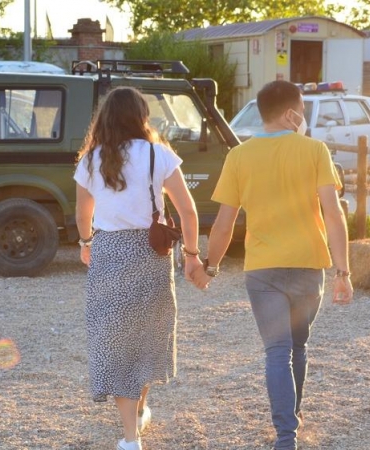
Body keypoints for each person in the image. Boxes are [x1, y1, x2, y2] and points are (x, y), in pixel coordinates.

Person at [202, 80, 353, 450]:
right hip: (308, 266)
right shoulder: (315, 150)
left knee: (277, 351)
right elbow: (333, 215)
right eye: (301, 110)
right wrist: (343, 272)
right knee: (297, 348)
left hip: (263, 271)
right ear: (291, 113)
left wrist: (210, 268)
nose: (303, 117)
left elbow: (224, 223)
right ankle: (291, 422)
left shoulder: (239, 156)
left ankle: (286, 437)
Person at [74, 87, 209, 450]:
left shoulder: (91, 159)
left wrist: (86, 243)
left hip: (107, 252)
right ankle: (136, 418)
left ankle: (131, 436)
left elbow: (82, 214)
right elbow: (188, 210)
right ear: (141, 116)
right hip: (151, 254)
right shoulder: (158, 155)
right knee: (148, 336)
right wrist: (192, 254)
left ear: (104, 118)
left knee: (116, 340)